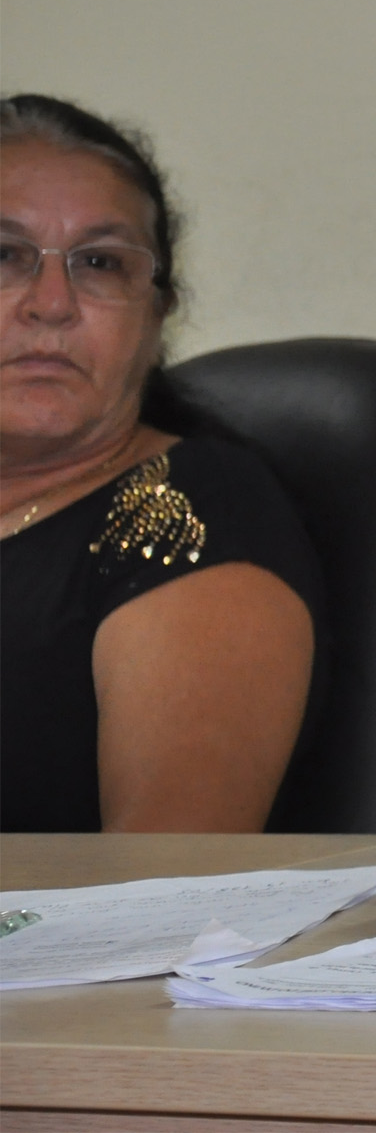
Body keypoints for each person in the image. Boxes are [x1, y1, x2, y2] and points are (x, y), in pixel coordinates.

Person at [0, 95, 325, 831]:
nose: (50, 303)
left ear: (155, 316)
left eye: (100, 263)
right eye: (3, 255)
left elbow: (164, 881)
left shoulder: (193, 516)